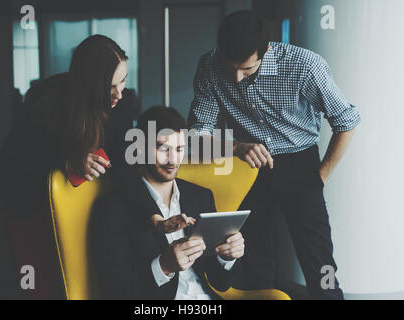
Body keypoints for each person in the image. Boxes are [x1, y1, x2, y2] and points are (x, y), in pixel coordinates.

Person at [188, 10, 361, 299]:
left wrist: (320, 176)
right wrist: (235, 147)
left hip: (300, 161)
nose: (237, 77)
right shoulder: (209, 65)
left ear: (266, 50)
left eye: (247, 69)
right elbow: (196, 134)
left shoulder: (305, 66)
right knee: (252, 255)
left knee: (318, 258)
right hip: (247, 165)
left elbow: (347, 121)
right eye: (230, 68)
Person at [91, 106, 245, 299]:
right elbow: (116, 291)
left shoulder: (200, 196)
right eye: (163, 148)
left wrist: (227, 258)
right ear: (140, 147)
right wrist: (163, 266)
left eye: (179, 149)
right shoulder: (112, 209)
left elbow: (220, 283)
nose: (173, 159)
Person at [0, 35, 134, 217]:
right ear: (89, 83)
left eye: (123, 80)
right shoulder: (45, 101)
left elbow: (124, 165)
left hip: (95, 206)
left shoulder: (122, 104)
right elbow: (12, 160)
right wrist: (68, 162)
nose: (119, 95)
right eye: (110, 87)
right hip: (38, 206)